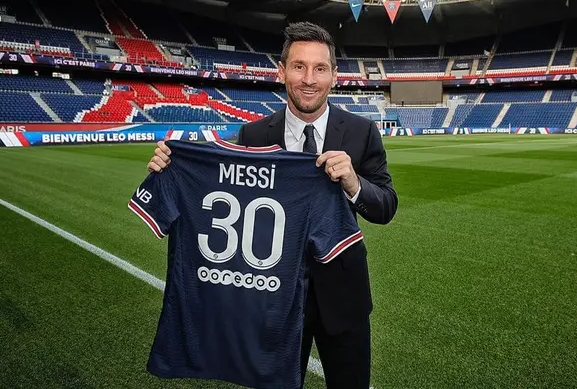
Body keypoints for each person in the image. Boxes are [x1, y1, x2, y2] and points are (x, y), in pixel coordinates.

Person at [146, 21, 398, 388]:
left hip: (343, 300)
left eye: (320, 68)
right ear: (282, 71)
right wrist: (170, 168)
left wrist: (354, 183)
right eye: (299, 66)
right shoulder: (253, 135)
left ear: (334, 76)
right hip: (269, 301)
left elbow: (386, 206)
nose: (309, 79)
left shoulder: (362, 132)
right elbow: (217, 191)